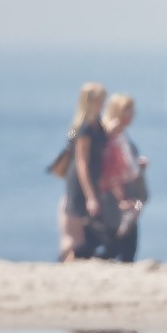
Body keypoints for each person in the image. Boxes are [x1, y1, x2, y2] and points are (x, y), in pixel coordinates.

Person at [59, 82, 109, 261]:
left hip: (93, 181)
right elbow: (82, 164)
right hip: (81, 184)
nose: (103, 104)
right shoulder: (85, 129)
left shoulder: (98, 125)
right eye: (99, 101)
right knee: (75, 238)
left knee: (89, 235)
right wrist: (90, 196)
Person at [96, 93, 149, 263]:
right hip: (115, 196)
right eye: (128, 112)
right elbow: (109, 170)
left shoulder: (122, 136)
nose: (132, 116)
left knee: (128, 241)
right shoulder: (109, 136)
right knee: (117, 242)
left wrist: (137, 166)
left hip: (128, 193)